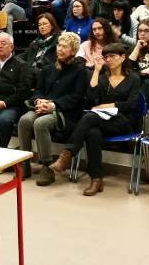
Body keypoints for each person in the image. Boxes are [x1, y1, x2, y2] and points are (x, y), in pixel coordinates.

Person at [50, 43, 140, 196]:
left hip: (123, 121)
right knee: (92, 133)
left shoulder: (133, 78)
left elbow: (131, 105)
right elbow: (91, 96)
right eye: (106, 57)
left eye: (112, 56)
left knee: (90, 117)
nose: (108, 60)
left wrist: (107, 105)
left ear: (123, 57)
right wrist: (97, 71)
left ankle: (67, 155)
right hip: (101, 120)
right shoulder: (103, 78)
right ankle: (96, 179)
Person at [18, 32, 87, 186]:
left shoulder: (80, 71)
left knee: (41, 123)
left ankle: (46, 167)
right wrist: (39, 101)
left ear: (73, 50)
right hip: (42, 106)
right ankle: (25, 163)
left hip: (64, 112)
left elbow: (76, 98)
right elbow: (38, 91)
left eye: (65, 47)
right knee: (24, 120)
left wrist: (52, 105)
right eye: (59, 45)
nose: (60, 49)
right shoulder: (47, 68)